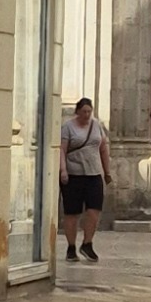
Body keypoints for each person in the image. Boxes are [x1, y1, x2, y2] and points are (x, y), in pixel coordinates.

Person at [58, 97, 109, 262]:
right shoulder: (68, 127)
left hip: (93, 173)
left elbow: (103, 148)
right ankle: (71, 247)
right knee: (72, 212)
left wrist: (107, 171)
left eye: (89, 111)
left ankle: (87, 243)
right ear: (78, 111)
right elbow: (62, 150)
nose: (87, 115)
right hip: (74, 174)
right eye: (84, 111)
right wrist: (63, 170)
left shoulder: (96, 125)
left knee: (94, 210)